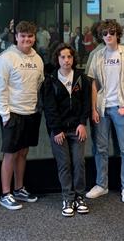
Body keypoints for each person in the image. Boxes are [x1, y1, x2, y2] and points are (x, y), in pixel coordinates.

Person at [86, 20, 124, 203]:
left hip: (121, 108)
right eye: (105, 33)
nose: (108, 36)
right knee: (100, 149)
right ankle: (101, 185)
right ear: (101, 36)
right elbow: (93, 84)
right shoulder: (97, 56)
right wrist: (94, 108)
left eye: (112, 32)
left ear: (118, 33)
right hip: (102, 109)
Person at [0, 21, 44, 210]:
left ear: (34, 37)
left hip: (30, 112)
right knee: (10, 154)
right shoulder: (6, 57)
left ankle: (19, 188)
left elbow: (39, 83)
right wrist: (5, 114)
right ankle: (6, 194)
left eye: (30, 36)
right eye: (23, 36)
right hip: (12, 113)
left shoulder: (37, 58)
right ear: (16, 37)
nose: (26, 39)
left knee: (23, 152)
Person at [43, 44, 91, 217]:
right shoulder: (50, 80)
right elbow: (49, 108)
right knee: (64, 164)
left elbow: (86, 102)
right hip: (59, 131)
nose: (66, 60)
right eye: (62, 57)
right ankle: (68, 198)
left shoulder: (81, 78)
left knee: (79, 163)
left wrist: (82, 123)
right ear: (57, 59)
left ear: (73, 59)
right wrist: (56, 129)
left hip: (77, 128)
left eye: (69, 57)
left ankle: (79, 197)